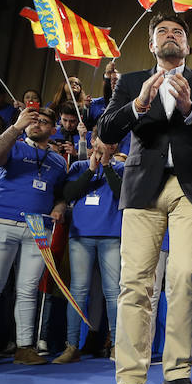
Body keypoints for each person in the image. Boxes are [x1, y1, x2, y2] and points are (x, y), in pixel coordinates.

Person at [98, 12, 192, 384]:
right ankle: (130, 380)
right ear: (152, 44)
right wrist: (138, 104)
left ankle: (177, 374)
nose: (170, 37)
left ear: (188, 45)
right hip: (142, 188)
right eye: (162, 33)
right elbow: (106, 131)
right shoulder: (130, 81)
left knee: (186, 276)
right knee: (136, 283)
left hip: (191, 187)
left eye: (178, 32)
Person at [0, 106, 67, 367]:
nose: (37, 124)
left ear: (53, 130)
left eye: (43, 122)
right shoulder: (13, 144)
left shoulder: (58, 161)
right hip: (2, 222)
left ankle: (24, 348)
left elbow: (60, 194)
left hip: (37, 226)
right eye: (33, 121)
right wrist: (16, 127)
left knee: (27, 290)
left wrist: (58, 206)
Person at [52, 129, 124, 364]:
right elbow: (69, 193)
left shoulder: (121, 167)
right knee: (78, 291)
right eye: (102, 140)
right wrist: (92, 170)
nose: (107, 145)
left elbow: (121, 194)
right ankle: (71, 346)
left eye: (112, 142)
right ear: (92, 141)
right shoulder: (78, 167)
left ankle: (116, 346)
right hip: (80, 236)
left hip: (112, 235)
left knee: (113, 292)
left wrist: (107, 166)